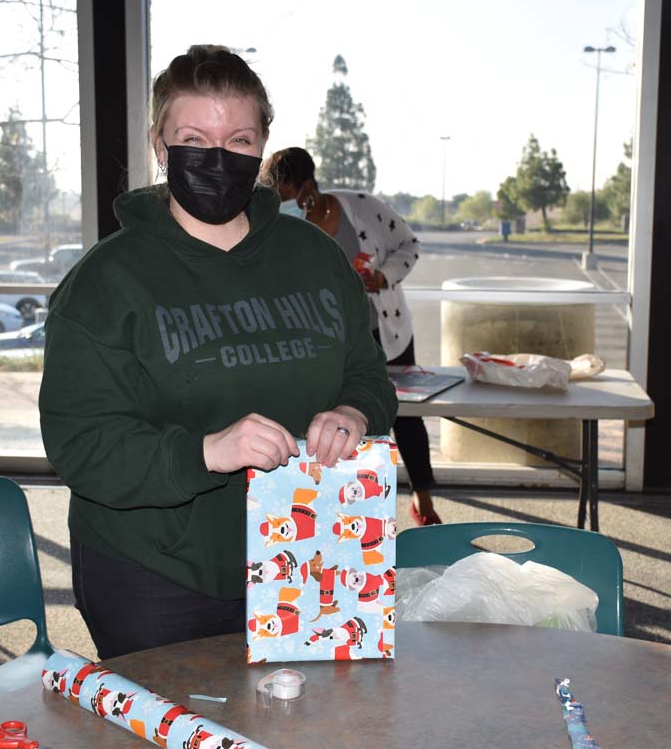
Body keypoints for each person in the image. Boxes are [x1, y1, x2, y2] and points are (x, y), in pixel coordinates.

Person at [39, 46, 397, 659]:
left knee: (308, 724)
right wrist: (207, 451)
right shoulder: (105, 282)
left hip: (309, 551)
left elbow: (368, 374)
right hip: (156, 572)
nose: (217, 156)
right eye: (194, 137)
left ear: (263, 148)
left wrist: (354, 414)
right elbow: (82, 445)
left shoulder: (313, 256)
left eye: (238, 139)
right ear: (159, 144)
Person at [262, 147, 443, 526]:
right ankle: (340, 513)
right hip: (326, 340)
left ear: (307, 187)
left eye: (285, 196)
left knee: (405, 418)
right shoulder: (278, 227)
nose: (282, 205)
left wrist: (383, 276)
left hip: (386, 331)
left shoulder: (363, 208)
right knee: (336, 418)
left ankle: (423, 501)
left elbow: (408, 245)